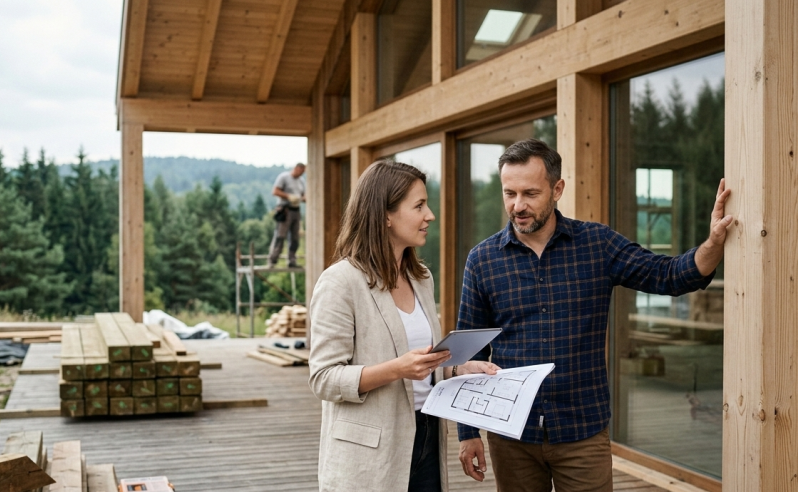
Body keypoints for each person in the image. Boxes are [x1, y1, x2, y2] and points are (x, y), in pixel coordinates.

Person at [456, 138, 732, 492]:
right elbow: (468, 354)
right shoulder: (482, 260)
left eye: (530, 193)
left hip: (582, 431)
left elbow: (669, 275)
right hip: (512, 435)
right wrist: (467, 433)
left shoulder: (597, 245)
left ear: (557, 189)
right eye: (509, 193)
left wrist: (712, 243)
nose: (518, 205)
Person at [308, 159, 500, 492]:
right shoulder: (340, 282)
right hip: (369, 452)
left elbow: (421, 367)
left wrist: (459, 369)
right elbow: (324, 379)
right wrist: (398, 368)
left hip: (426, 434)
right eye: (419, 206)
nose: (430, 215)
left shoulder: (420, 278)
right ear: (385, 215)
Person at [268, 162, 306, 268]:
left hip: (296, 210)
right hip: (285, 210)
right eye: (301, 171)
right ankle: (272, 260)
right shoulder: (284, 177)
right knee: (280, 236)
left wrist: (302, 198)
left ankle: (292, 260)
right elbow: (275, 191)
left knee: (295, 238)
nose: (301, 174)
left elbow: (304, 195)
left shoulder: (301, 181)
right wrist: (288, 196)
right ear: (296, 168)